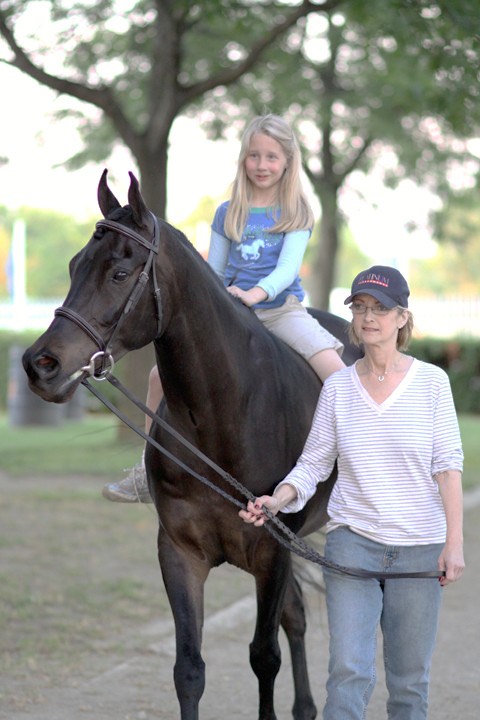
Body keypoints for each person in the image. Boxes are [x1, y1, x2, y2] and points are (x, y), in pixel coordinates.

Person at [239, 264, 464, 720]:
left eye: (379, 309)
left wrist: (453, 544)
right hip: (352, 546)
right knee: (347, 673)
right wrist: (278, 499)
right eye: (359, 308)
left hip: (419, 548)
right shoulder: (339, 386)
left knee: (408, 682)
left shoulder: (432, 384)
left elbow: (447, 467)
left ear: (402, 317)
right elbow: (314, 463)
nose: (367, 318)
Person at [102, 114, 345, 503]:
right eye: (254, 156)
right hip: (230, 311)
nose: (262, 165)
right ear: (243, 160)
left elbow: (286, 271)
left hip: (281, 310)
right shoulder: (228, 212)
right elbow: (211, 271)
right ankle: (148, 467)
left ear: (286, 162)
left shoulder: (296, 211)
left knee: (337, 373)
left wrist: (255, 294)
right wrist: (221, 299)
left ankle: (348, 463)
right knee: (156, 378)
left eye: (271, 157)